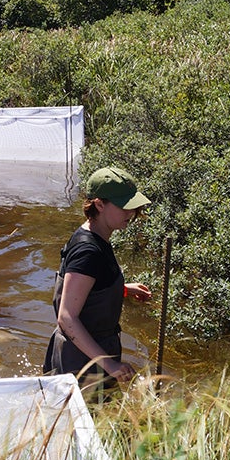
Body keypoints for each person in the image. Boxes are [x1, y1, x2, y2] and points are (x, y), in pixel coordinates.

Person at [44, 165, 152, 393]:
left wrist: (121, 289)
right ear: (100, 204)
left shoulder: (94, 238)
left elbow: (83, 289)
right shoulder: (88, 252)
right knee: (87, 423)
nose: (131, 213)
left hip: (89, 353)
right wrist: (109, 364)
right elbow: (67, 317)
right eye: (124, 207)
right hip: (81, 362)